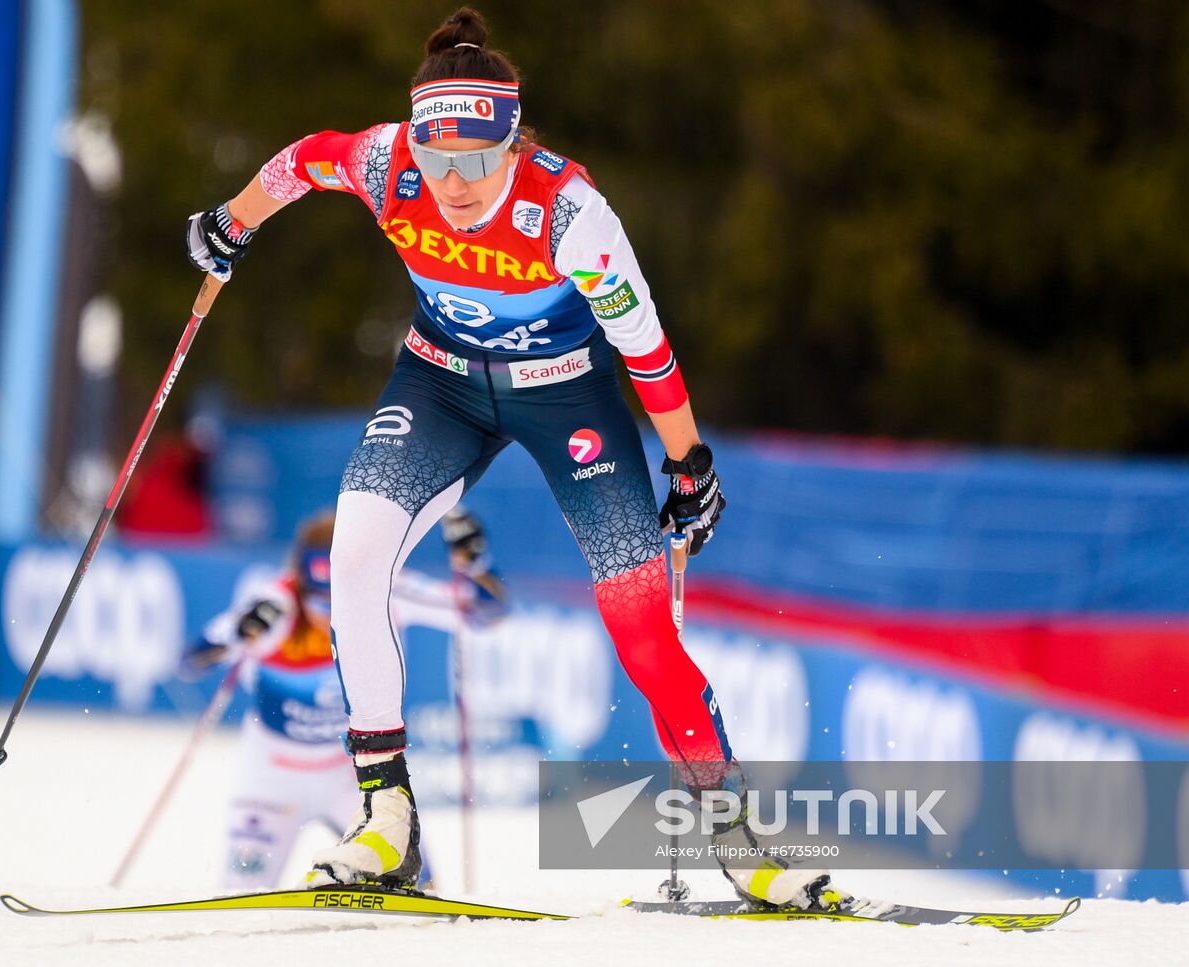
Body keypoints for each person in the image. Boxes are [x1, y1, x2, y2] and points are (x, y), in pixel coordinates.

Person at [185, 7, 840, 911]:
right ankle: (387, 821)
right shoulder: (389, 164)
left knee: (643, 630)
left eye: (476, 161)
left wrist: (689, 465)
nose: (453, 182)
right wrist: (233, 220)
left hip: (567, 392)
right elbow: (306, 159)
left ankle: (734, 836)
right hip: (440, 383)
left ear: (512, 144)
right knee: (355, 557)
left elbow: (646, 352)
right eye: (437, 159)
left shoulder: (570, 213)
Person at [182, 507, 505, 890]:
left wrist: (476, 561)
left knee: (418, 886)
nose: (329, 614)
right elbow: (192, 660)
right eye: (319, 602)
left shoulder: (391, 591)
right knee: (239, 892)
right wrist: (239, 631)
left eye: (339, 599)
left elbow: (485, 611)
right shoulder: (278, 603)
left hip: (347, 774)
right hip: (271, 774)